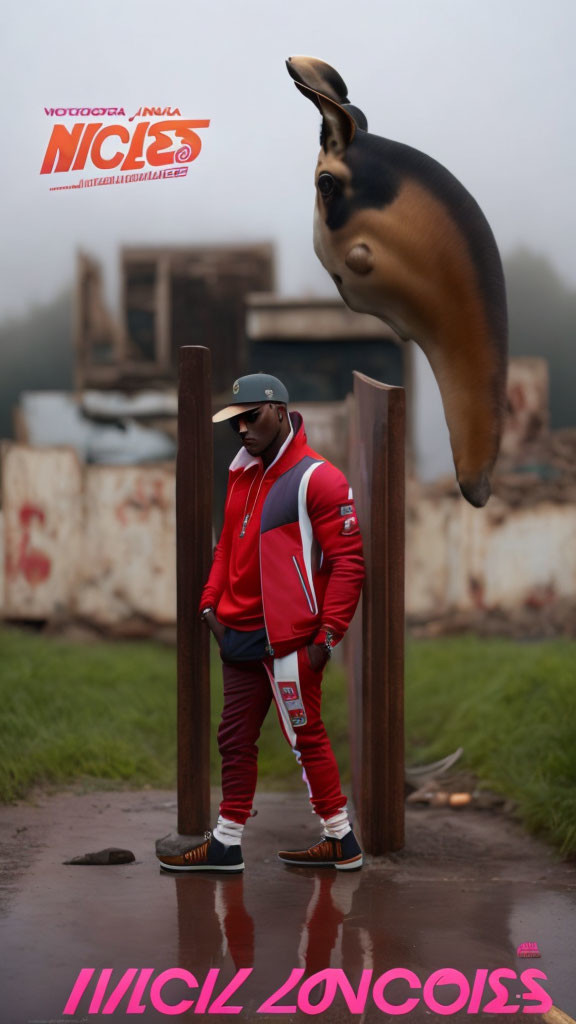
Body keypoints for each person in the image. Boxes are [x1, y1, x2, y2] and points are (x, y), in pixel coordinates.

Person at [158, 373, 365, 873]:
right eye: (236, 421)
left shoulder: (319, 477)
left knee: (304, 736)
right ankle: (227, 842)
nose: (243, 429)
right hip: (239, 634)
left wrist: (326, 639)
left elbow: (349, 563)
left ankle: (340, 839)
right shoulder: (242, 472)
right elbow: (228, 543)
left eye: (252, 417)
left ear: (279, 410)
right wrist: (210, 606)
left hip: (292, 641)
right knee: (234, 738)